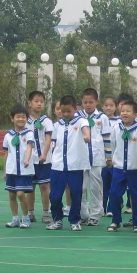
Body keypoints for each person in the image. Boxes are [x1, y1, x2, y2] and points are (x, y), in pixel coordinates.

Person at [47, 95, 90, 231]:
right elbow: (53, 142)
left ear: (75, 109)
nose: (65, 114)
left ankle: (74, 220)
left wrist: (86, 135)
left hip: (75, 166)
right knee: (55, 195)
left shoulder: (81, 121)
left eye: (68, 111)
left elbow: (85, 129)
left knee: (76, 193)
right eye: (62, 111)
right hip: (58, 166)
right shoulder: (57, 125)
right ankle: (57, 219)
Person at [107, 101, 137, 232]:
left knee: (135, 195)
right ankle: (116, 221)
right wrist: (110, 158)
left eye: (128, 111)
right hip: (118, 168)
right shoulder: (116, 128)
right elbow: (112, 144)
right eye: (122, 111)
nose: (124, 113)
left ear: (135, 114)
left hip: (134, 169)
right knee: (115, 194)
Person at [80, 88, 111, 227]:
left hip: (97, 157)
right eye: (85, 102)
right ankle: (83, 213)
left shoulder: (102, 118)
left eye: (91, 102)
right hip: (81, 158)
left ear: (97, 102)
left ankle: (96, 214)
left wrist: (109, 157)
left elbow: (106, 137)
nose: (88, 105)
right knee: (81, 187)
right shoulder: (79, 117)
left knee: (95, 187)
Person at [3, 105, 35, 229]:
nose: (21, 119)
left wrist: (27, 159)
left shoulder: (29, 133)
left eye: (23, 117)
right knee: (11, 195)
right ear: (12, 119)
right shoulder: (8, 135)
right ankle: (15, 218)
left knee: (21, 194)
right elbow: (6, 153)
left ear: (26, 119)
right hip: (12, 169)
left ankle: (26, 217)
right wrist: (5, 171)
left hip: (24, 170)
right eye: (18, 117)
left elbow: (29, 147)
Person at [25, 91, 54, 224]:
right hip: (30, 160)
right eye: (36, 101)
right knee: (30, 187)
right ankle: (30, 212)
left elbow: (48, 139)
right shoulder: (25, 121)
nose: (39, 104)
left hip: (45, 159)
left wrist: (44, 154)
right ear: (29, 103)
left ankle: (46, 212)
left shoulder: (47, 121)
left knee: (44, 186)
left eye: (41, 101)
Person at [101, 95, 118, 216]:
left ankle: (111, 208)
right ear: (102, 107)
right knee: (102, 185)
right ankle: (101, 207)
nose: (108, 108)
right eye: (106, 105)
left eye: (111, 105)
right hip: (101, 158)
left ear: (116, 107)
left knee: (114, 185)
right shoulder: (99, 120)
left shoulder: (119, 121)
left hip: (115, 158)